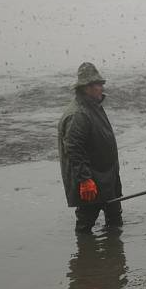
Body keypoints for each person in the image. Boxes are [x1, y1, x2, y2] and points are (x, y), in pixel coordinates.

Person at [58, 62, 123, 233]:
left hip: (108, 177)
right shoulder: (78, 114)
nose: (101, 87)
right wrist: (85, 180)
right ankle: (84, 256)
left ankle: (113, 256)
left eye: (101, 84)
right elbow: (73, 149)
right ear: (86, 88)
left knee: (115, 221)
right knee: (85, 224)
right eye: (98, 84)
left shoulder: (94, 106)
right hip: (92, 181)